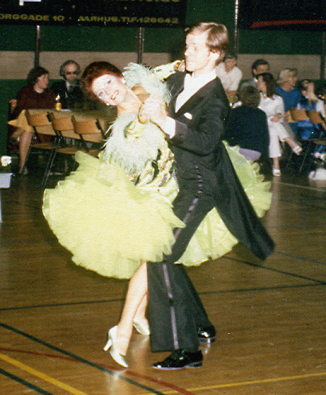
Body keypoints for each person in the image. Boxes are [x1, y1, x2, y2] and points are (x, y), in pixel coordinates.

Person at [43, 54, 273, 369]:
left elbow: (160, 77)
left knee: (165, 258)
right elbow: (137, 137)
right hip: (156, 195)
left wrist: (182, 65)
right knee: (159, 257)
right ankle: (128, 326)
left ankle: (153, 320)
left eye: (109, 82)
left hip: (188, 181)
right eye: (101, 93)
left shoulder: (142, 86)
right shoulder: (122, 127)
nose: (109, 92)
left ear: (120, 77)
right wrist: (141, 121)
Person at [141, 22, 275, 370]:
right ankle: (201, 325)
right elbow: (157, 103)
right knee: (166, 255)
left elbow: (203, 143)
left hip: (202, 185)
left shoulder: (217, 99)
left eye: (194, 48)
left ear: (214, 54)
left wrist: (164, 122)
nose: (186, 52)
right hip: (179, 181)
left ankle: (187, 349)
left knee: (161, 253)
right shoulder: (176, 80)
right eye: (187, 45)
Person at [10, 67, 56, 174]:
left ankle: (16, 135)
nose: (47, 81)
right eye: (43, 78)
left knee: (30, 123)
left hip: (43, 126)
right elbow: (20, 111)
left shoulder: (50, 94)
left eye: (47, 78)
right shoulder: (25, 92)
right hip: (25, 124)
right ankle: (22, 167)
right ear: (36, 79)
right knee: (28, 128)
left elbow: (50, 112)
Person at [257, 72, 302, 176]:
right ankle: (290, 141)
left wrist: (277, 115)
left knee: (273, 129)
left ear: (265, 83)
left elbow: (280, 113)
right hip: (259, 126)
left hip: (271, 127)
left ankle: (276, 164)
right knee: (271, 122)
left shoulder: (277, 99)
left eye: (259, 81)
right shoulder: (256, 97)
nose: (257, 83)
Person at [224, 86, 270, 162]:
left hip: (239, 150)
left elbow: (228, 133)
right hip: (256, 152)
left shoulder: (235, 112)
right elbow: (265, 138)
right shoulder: (261, 114)